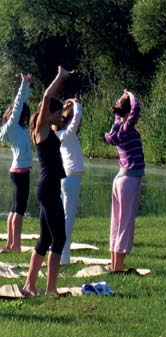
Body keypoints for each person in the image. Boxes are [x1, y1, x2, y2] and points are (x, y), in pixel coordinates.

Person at [22, 66, 73, 295]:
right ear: (48, 114)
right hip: (48, 187)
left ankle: (30, 285)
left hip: (48, 187)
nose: (61, 117)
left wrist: (64, 88)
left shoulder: (46, 129)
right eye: (58, 113)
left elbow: (54, 104)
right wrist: (59, 76)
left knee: (45, 238)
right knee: (59, 237)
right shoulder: (41, 129)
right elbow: (46, 97)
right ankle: (51, 289)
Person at [105, 89, 145, 272]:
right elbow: (136, 110)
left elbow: (120, 114)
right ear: (127, 113)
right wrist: (130, 95)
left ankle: (115, 266)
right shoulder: (127, 128)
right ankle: (118, 267)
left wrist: (121, 99)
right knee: (125, 224)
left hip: (120, 179)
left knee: (117, 223)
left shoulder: (117, 128)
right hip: (129, 180)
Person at [0, 73, 32, 252]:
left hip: (17, 170)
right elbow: (19, 103)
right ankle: (16, 246)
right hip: (21, 171)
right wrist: (24, 84)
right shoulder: (12, 126)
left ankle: (10, 244)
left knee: (14, 209)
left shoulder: (16, 129)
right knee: (19, 210)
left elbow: (20, 105)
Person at [54, 98, 84, 265]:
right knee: (68, 220)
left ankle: (60, 255)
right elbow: (78, 115)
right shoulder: (67, 134)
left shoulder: (58, 134)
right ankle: (63, 258)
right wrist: (75, 102)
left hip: (67, 178)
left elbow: (75, 117)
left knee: (64, 219)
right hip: (71, 178)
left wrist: (67, 106)